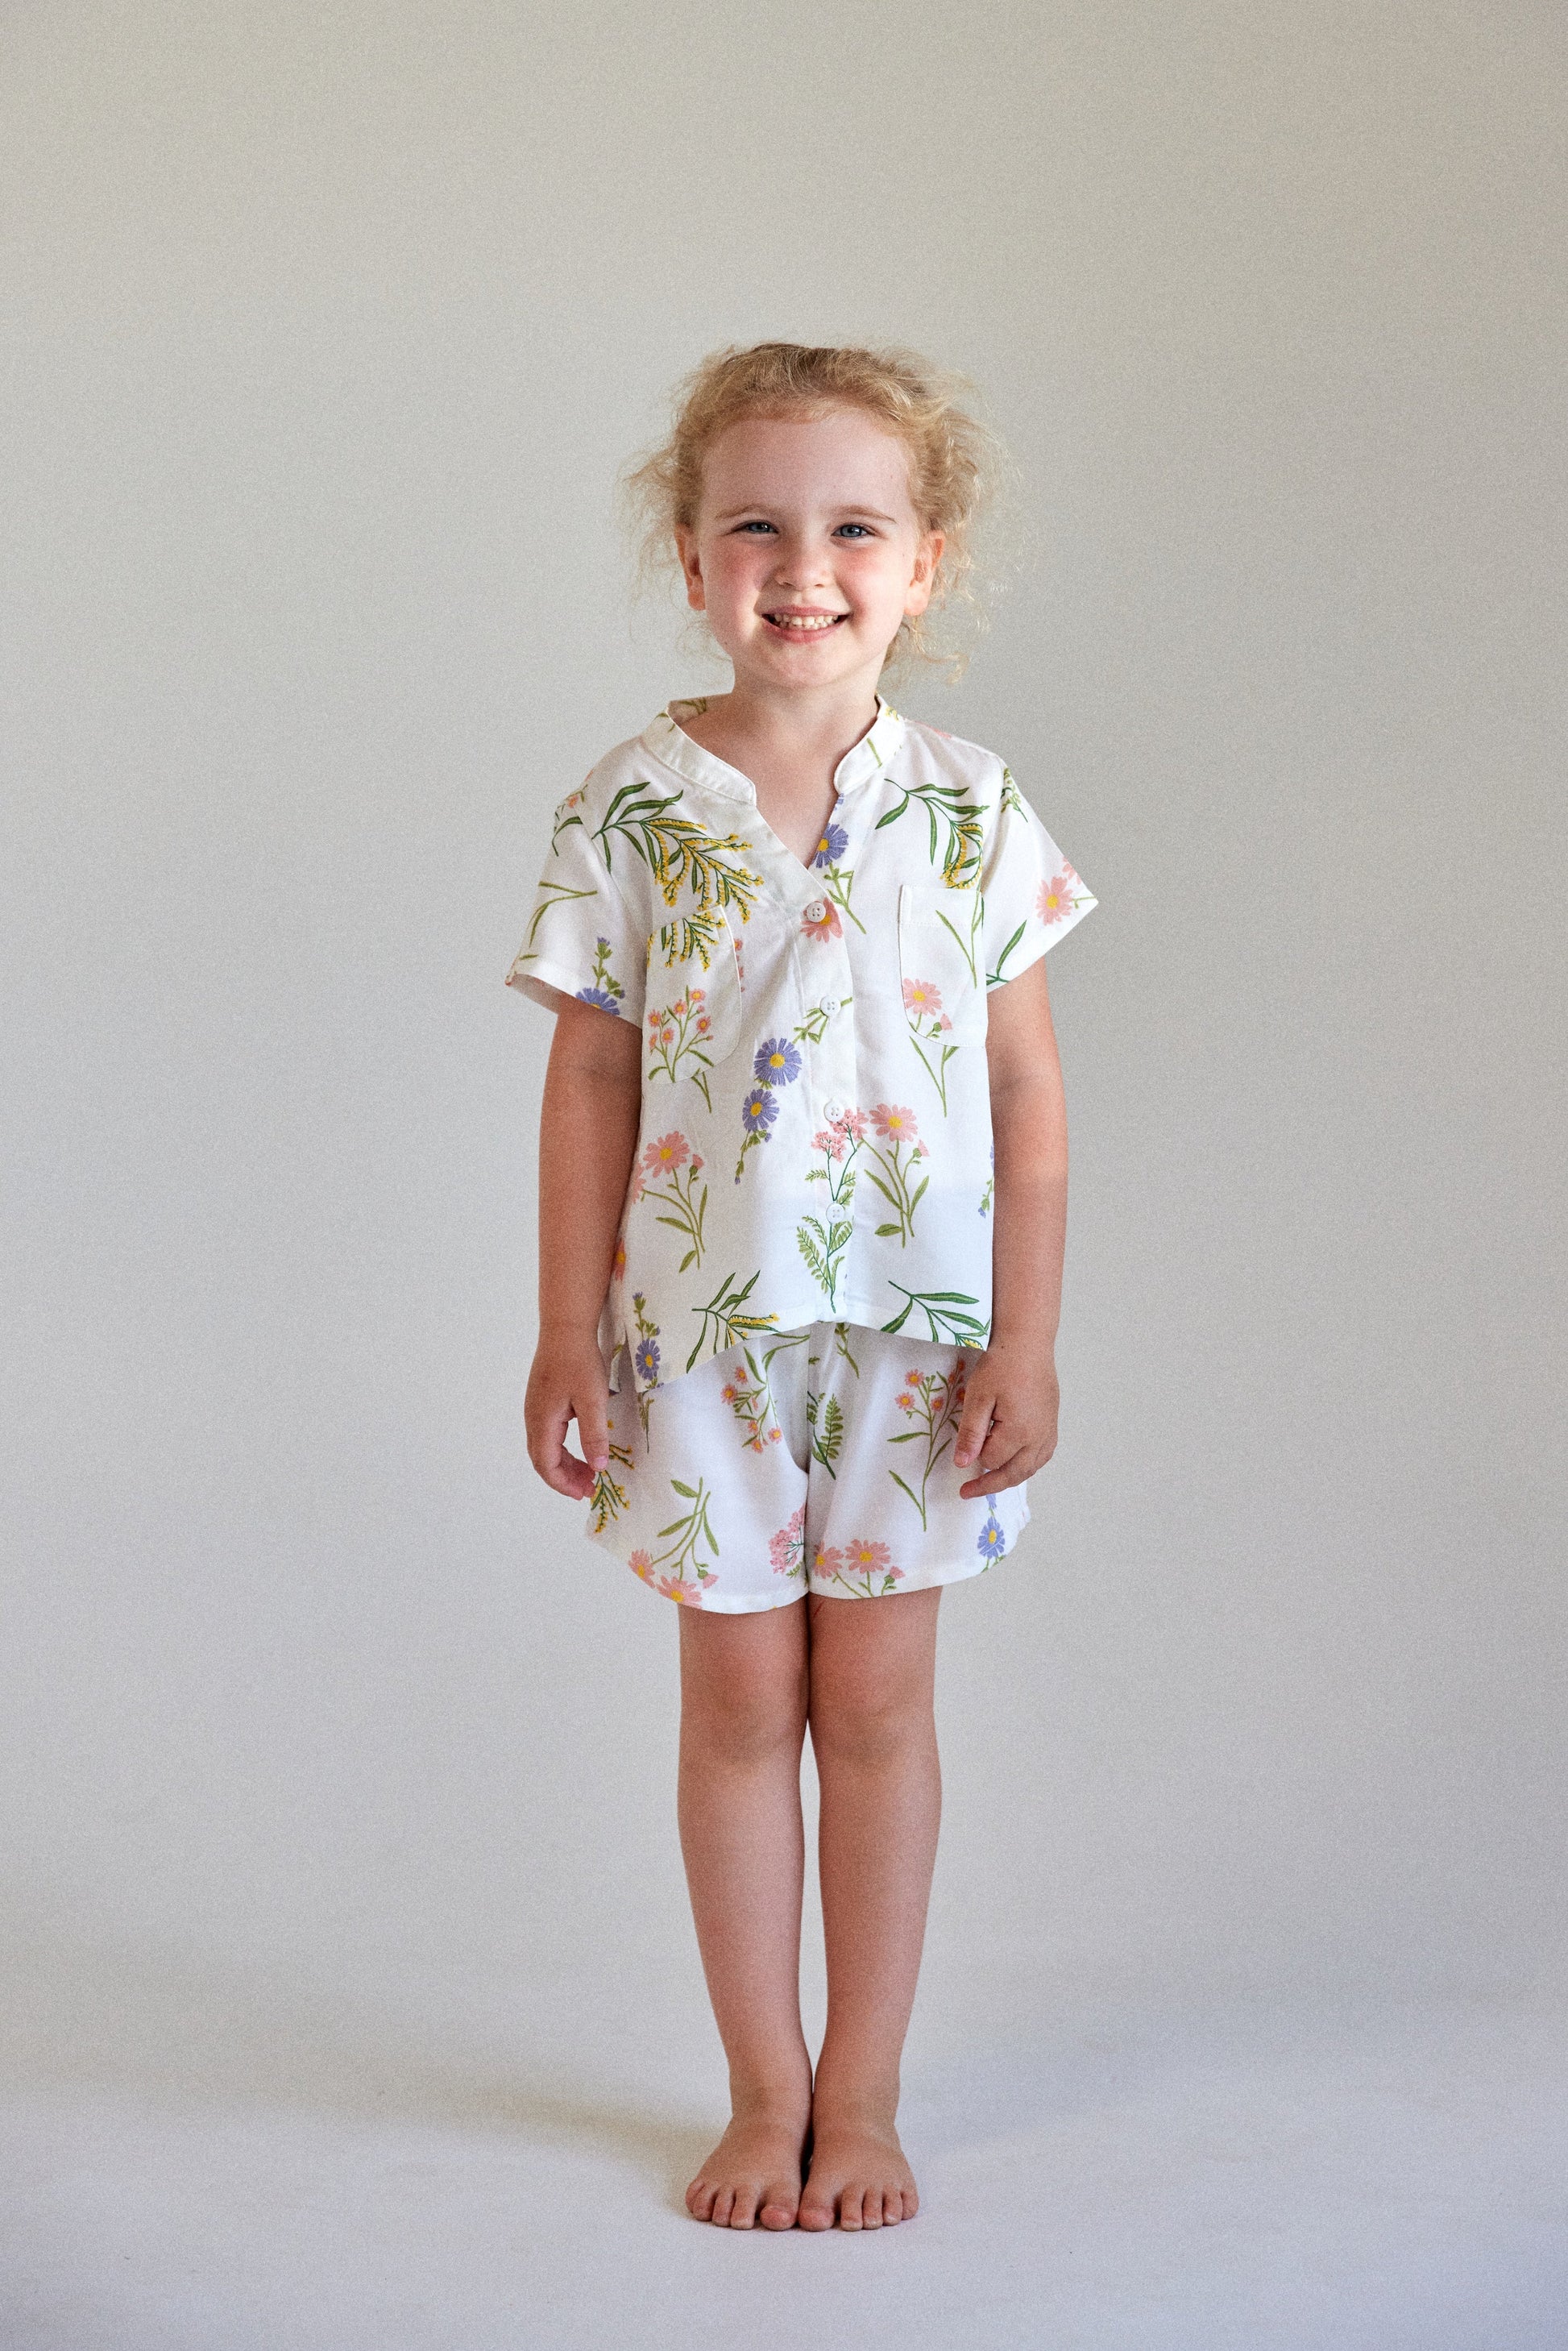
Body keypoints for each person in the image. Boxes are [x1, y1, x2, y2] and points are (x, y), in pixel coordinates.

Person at [508, 342, 1096, 2232]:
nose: (803, 567)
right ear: (691, 559)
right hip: (700, 1347)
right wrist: (564, 1326)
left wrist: (1026, 1334)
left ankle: (868, 2093)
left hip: (917, 1349)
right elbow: (590, 1077)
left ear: (924, 566)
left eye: (854, 528)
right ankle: (765, 2091)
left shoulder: (971, 807)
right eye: (756, 526)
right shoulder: (632, 804)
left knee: (880, 1709)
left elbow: (1026, 1092)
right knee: (743, 1705)